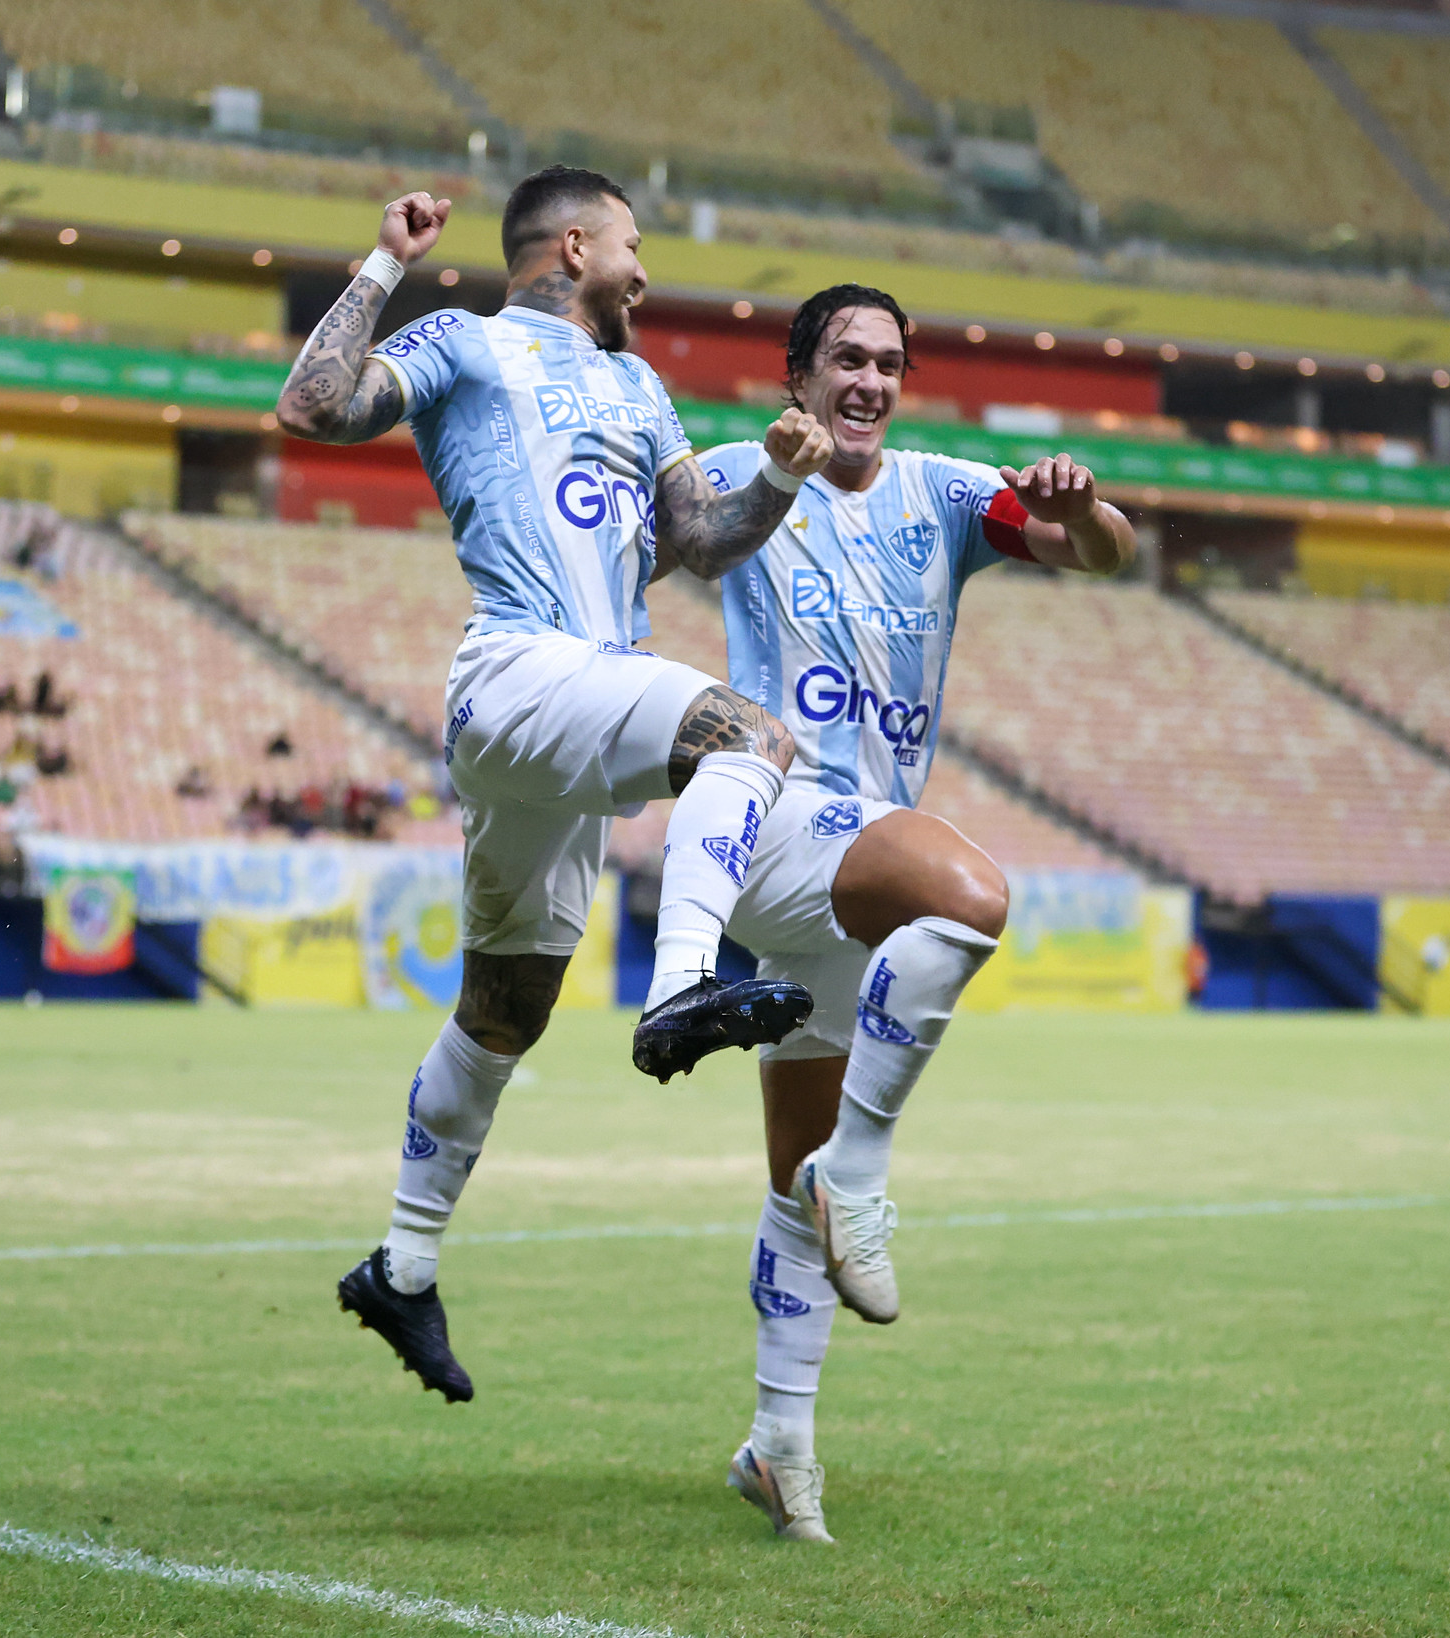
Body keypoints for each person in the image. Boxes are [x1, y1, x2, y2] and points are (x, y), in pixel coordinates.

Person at [274, 168, 836, 1403]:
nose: (645, 272)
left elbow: (695, 540)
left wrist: (783, 478)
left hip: (581, 702)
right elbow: (312, 406)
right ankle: (685, 983)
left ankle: (402, 1269)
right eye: (633, 247)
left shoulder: (639, 385)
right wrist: (384, 264)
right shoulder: (466, 343)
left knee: (507, 1006)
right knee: (750, 733)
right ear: (574, 244)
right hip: (523, 667)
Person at [680, 284, 1133, 1541]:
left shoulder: (944, 492)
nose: (868, 380)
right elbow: (666, 542)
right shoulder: (739, 470)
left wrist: (1078, 511)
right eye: (844, 359)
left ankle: (778, 1450)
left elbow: (1108, 554)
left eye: (887, 362)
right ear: (798, 375)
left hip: (854, 859)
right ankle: (864, 1173)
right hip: (780, 817)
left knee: (786, 1186)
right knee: (973, 894)